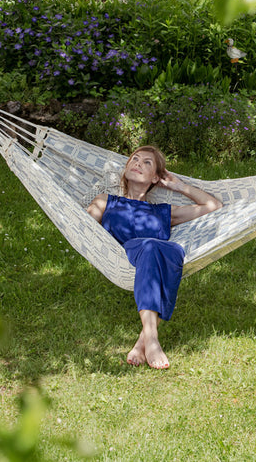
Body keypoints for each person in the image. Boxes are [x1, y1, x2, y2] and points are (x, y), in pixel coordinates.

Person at [87, 145, 223, 369]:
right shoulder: (106, 201)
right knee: (153, 248)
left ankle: (145, 340)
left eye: (146, 163)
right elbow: (85, 226)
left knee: (167, 250)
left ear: (155, 178)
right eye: (135, 159)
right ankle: (150, 339)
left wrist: (178, 186)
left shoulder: (163, 211)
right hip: (127, 254)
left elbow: (213, 206)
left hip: (163, 254)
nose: (138, 163)